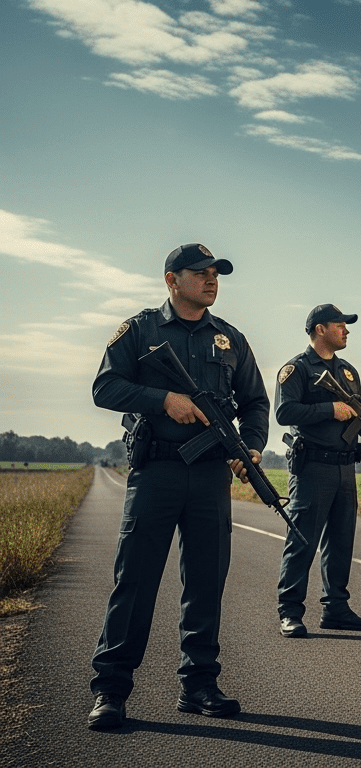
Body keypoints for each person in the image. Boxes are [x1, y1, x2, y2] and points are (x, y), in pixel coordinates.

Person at [88, 243, 269, 730]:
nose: (212, 280)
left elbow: (255, 402)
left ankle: (199, 684)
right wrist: (162, 398)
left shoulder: (230, 339)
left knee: (207, 581)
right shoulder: (142, 329)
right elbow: (104, 386)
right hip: (157, 472)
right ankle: (111, 689)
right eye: (201, 273)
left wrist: (250, 446)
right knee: (136, 578)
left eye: (216, 274)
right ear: (172, 280)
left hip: (210, 473)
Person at [274, 304, 361, 638]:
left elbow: (356, 413)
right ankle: (290, 611)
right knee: (302, 540)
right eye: (340, 325)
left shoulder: (348, 371)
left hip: (345, 468)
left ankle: (335, 607)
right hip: (312, 468)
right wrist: (328, 409)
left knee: (341, 541)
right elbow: (284, 411)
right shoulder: (297, 369)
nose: (346, 330)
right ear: (320, 329)